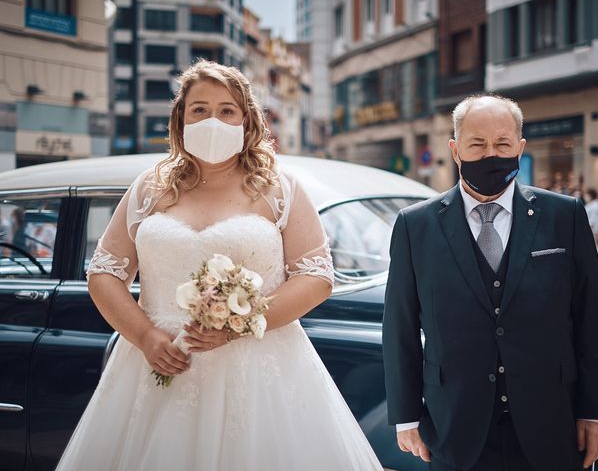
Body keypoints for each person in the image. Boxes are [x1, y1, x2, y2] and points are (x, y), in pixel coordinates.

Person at [55, 60, 383, 471]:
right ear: (181, 119)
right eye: (200, 110)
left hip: (261, 370)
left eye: (227, 110)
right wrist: (144, 336)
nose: (214, 120)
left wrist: (239, 325)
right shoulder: (149, 187)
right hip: (158, 361)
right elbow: (105, 272)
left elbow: (315, 276)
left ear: (247, 121)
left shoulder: (280, 188)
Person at [383, 95, 598, 471]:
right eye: (477, 144)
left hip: (552, 424)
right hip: (454, 426)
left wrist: (596, 411)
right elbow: (399, 326)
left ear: (520, 148)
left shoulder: (565, 216)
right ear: (456, 150)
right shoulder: (415, 226)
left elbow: (590, 317)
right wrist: (406, 417)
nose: (491, 154)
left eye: (502, 144)